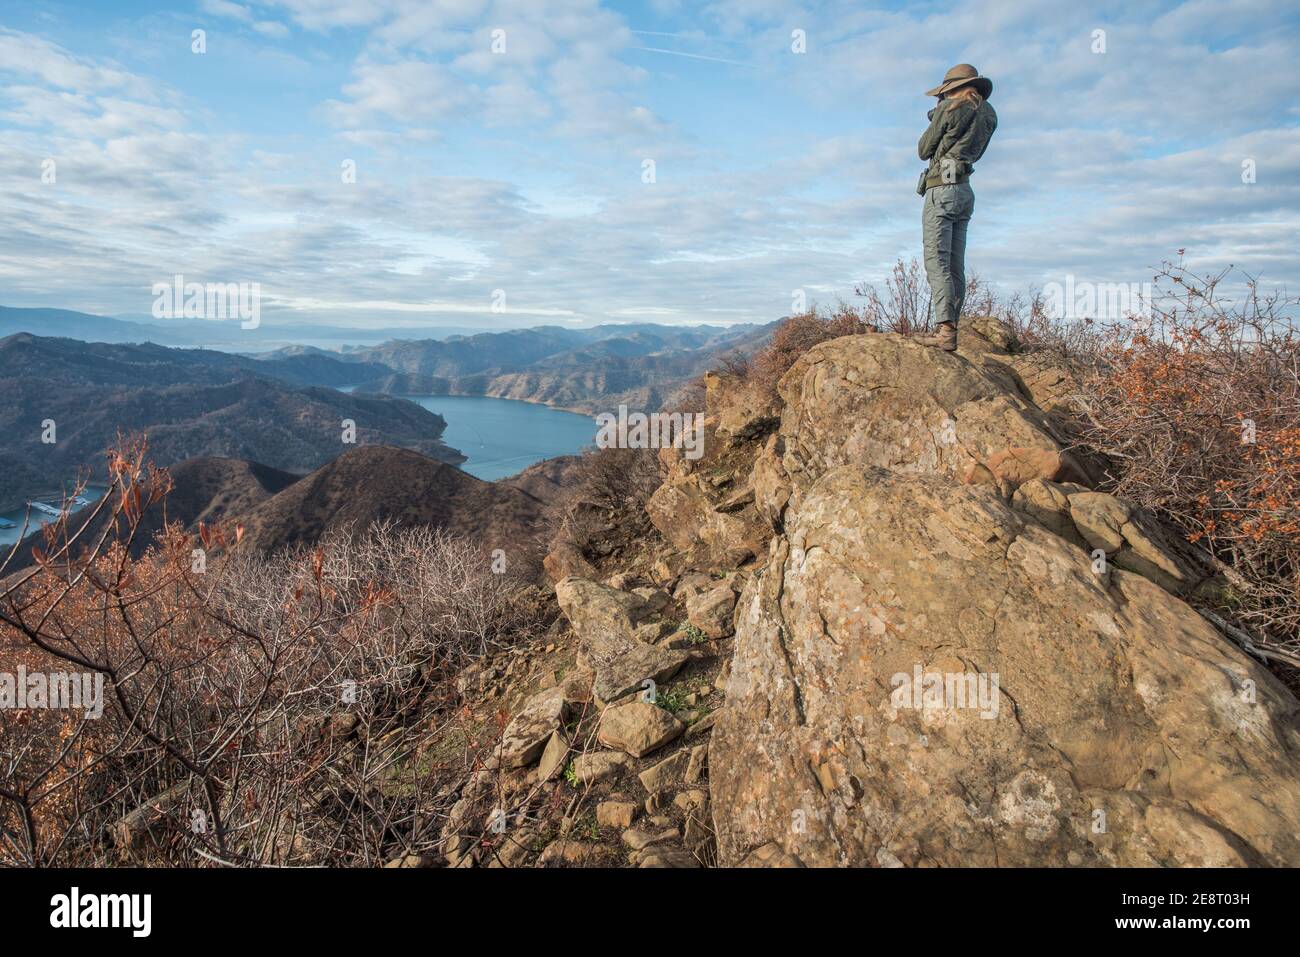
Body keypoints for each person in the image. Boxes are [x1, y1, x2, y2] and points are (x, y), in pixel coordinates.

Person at [915, 64, 997, 351]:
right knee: (954, 264)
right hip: (964, 189)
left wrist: (936, 117)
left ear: (950, 89)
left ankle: (945, 331)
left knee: (936, 260)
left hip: (942, 188)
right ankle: (951, 327)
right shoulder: (988, 114)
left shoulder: (949, 109)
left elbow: (924, 149)